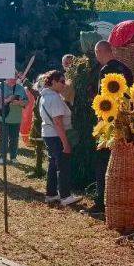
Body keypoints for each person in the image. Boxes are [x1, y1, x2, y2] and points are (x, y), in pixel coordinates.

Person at [93, 40, 134, 213]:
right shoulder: (127, 69)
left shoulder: (105, 71)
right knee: (123, 162)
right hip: (126, 122)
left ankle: (101, 202)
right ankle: (123, 199)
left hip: (109, 123)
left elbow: (104, 100)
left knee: (103, 162)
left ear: (99, 52)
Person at [38, 70, 81, 206]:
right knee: (63, 165)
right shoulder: (54, 98)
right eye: (62, 81)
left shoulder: (44, 96)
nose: (64, 84)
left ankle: (51, 194)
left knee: (53, 164)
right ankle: (65, 196)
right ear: (53, 82)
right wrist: (65, 143)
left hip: (48, 134)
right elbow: (58, 122)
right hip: (57, 135)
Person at [0, 76, 28, 165]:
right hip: (3, 117)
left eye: (16, 77)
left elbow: (26, 101)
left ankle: (13, 157)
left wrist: (19, 102)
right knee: (3, 139)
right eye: (13, 76)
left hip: (16, 118)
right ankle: (2, 157)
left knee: (14, 139)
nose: (15, 79)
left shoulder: (20, 88)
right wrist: (8, 99)